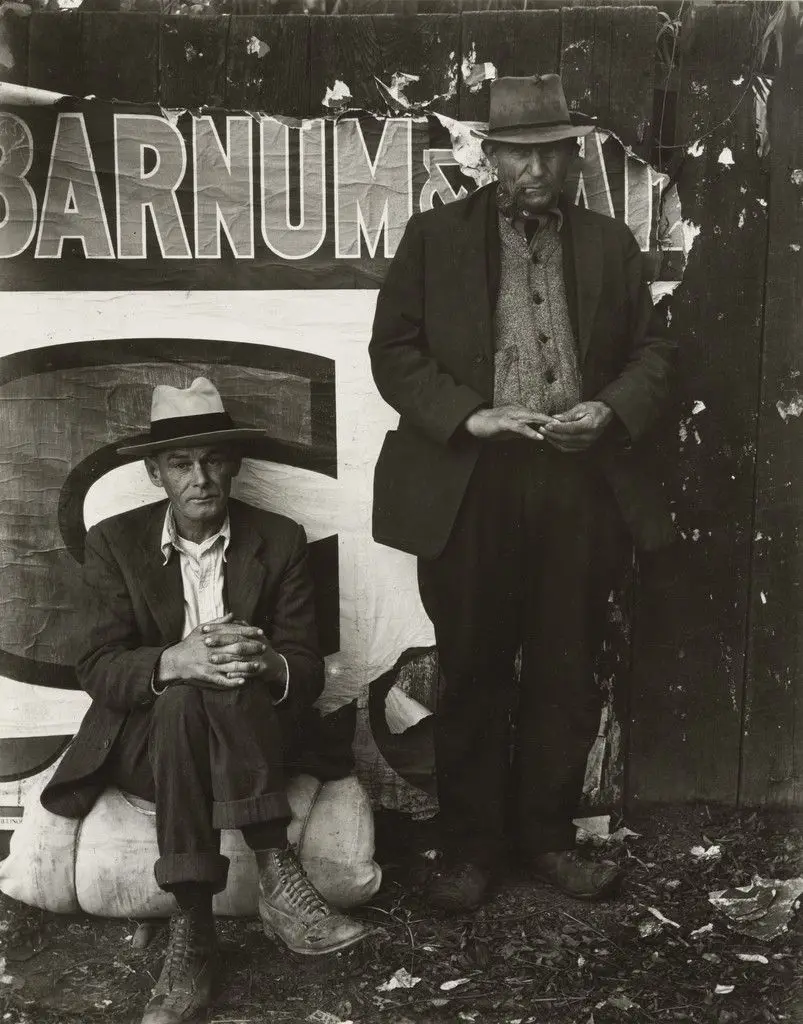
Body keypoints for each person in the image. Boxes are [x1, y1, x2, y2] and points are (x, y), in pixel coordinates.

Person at [369, 75, 677, 912]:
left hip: (578, 485)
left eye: (550, 152)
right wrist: (470, 418)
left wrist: (608, 411)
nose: (533, 169)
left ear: (573, 158)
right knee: (469, 666)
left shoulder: (611, 244)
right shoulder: (434, 239)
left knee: (564, 667)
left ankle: (544, 836)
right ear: (486, 155)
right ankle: (469, 848)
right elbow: (392, 353)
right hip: (470, 488)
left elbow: (654, 355)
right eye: (516, 152)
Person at [41, 376, 369, 1024]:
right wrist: (173, 659)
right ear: (155, 471)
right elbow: (97, 665)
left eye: (215, 460)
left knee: (224, 681)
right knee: (185, 694)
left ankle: (190, 929)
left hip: (255, 735)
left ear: (234, 465)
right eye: (182, 463)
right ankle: (273, 872)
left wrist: (263, 661)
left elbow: (303, 668)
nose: (201, 478)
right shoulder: (115, 543)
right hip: (146, 746)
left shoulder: (277, 539)